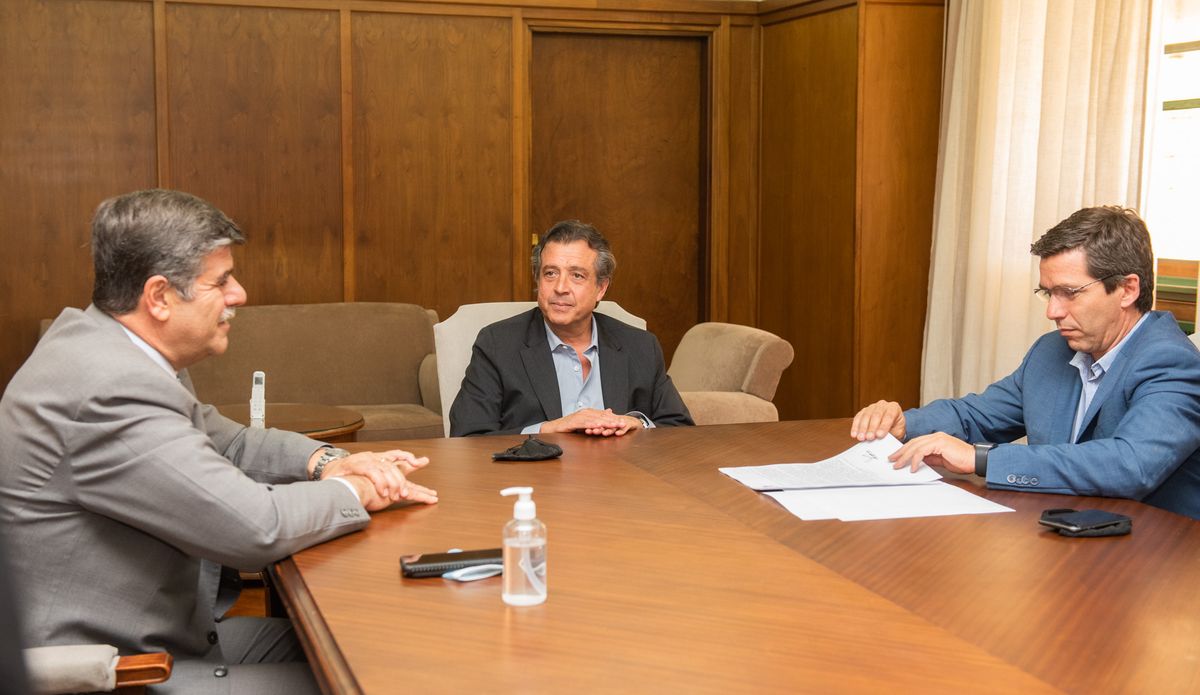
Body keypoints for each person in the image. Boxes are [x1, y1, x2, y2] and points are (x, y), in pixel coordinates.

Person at [0, 189, 438, 694]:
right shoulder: (107, 390)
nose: (240, 295)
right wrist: (358, 491)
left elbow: (226, 442)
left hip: (171, 633)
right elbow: (255, 528)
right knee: (387, 682)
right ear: (159, 296)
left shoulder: (113, 349)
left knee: (389, 645)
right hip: (118, 670)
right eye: (221, 281)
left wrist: (327, 462)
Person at [851, 206, 1200, 518]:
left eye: (1070, 293)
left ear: (1127, 289)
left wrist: (981, 459)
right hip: (1067, 539)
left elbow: (1130, 465)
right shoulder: (1052, 351)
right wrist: (904, 425)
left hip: (1157, 559)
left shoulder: (1172, 363)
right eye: (1049, 293)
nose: (1053, 312)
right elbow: (977, 415)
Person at [450, 220, 693, 437]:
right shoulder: (497, 344)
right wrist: (549, 429)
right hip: (536, 480)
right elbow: (467, 436)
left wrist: (637, 423)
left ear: (601, 288)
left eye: (577, 275)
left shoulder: (640, 346)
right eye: (550, 273)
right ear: (538, 281)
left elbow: (680, 429)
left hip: (621, 479)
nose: (560, 287)